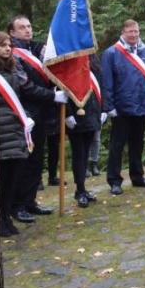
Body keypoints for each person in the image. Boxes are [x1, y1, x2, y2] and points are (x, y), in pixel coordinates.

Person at [8, 15, 66, 222]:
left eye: (29, 26)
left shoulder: (36, 50)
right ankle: (17, 206)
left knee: (36, 160)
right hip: (23, 115)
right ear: (12, 32)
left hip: (42, 115)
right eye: (22, 27)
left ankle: (30, 201)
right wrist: (52, 95)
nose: (27, 30)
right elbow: (25, 86)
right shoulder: (12, 55)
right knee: (23, 162)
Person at [101, 19, 145, 195]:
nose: (134, 35)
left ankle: (137, 176)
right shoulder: (111, 53)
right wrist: (109, 106)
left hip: (142, 106)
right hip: (121, 108)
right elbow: (107, 82)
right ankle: (114, 180)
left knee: (137, 144)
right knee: (117, 145)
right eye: (130, 32)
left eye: (136, 31)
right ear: (123, 32)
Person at [0, 32, 33, 236]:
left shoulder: (12, 70)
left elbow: (17, 100)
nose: (7, 48)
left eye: (9, 45)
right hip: (1, 131)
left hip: (16, 130)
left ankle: (7, 216)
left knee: (13, 180)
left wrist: (26, 117)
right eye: (2, 45)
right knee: (2, 179)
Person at [65, 55, 103, 208]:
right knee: (79, 154)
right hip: (76, 115)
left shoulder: (94, 64)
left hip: (93, 113)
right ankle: (80, 190)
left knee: (85, 153)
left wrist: (103, 109)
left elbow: (101, 87)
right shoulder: (70, 62)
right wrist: (67, 113)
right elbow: (63, 89)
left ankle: (82, 189)